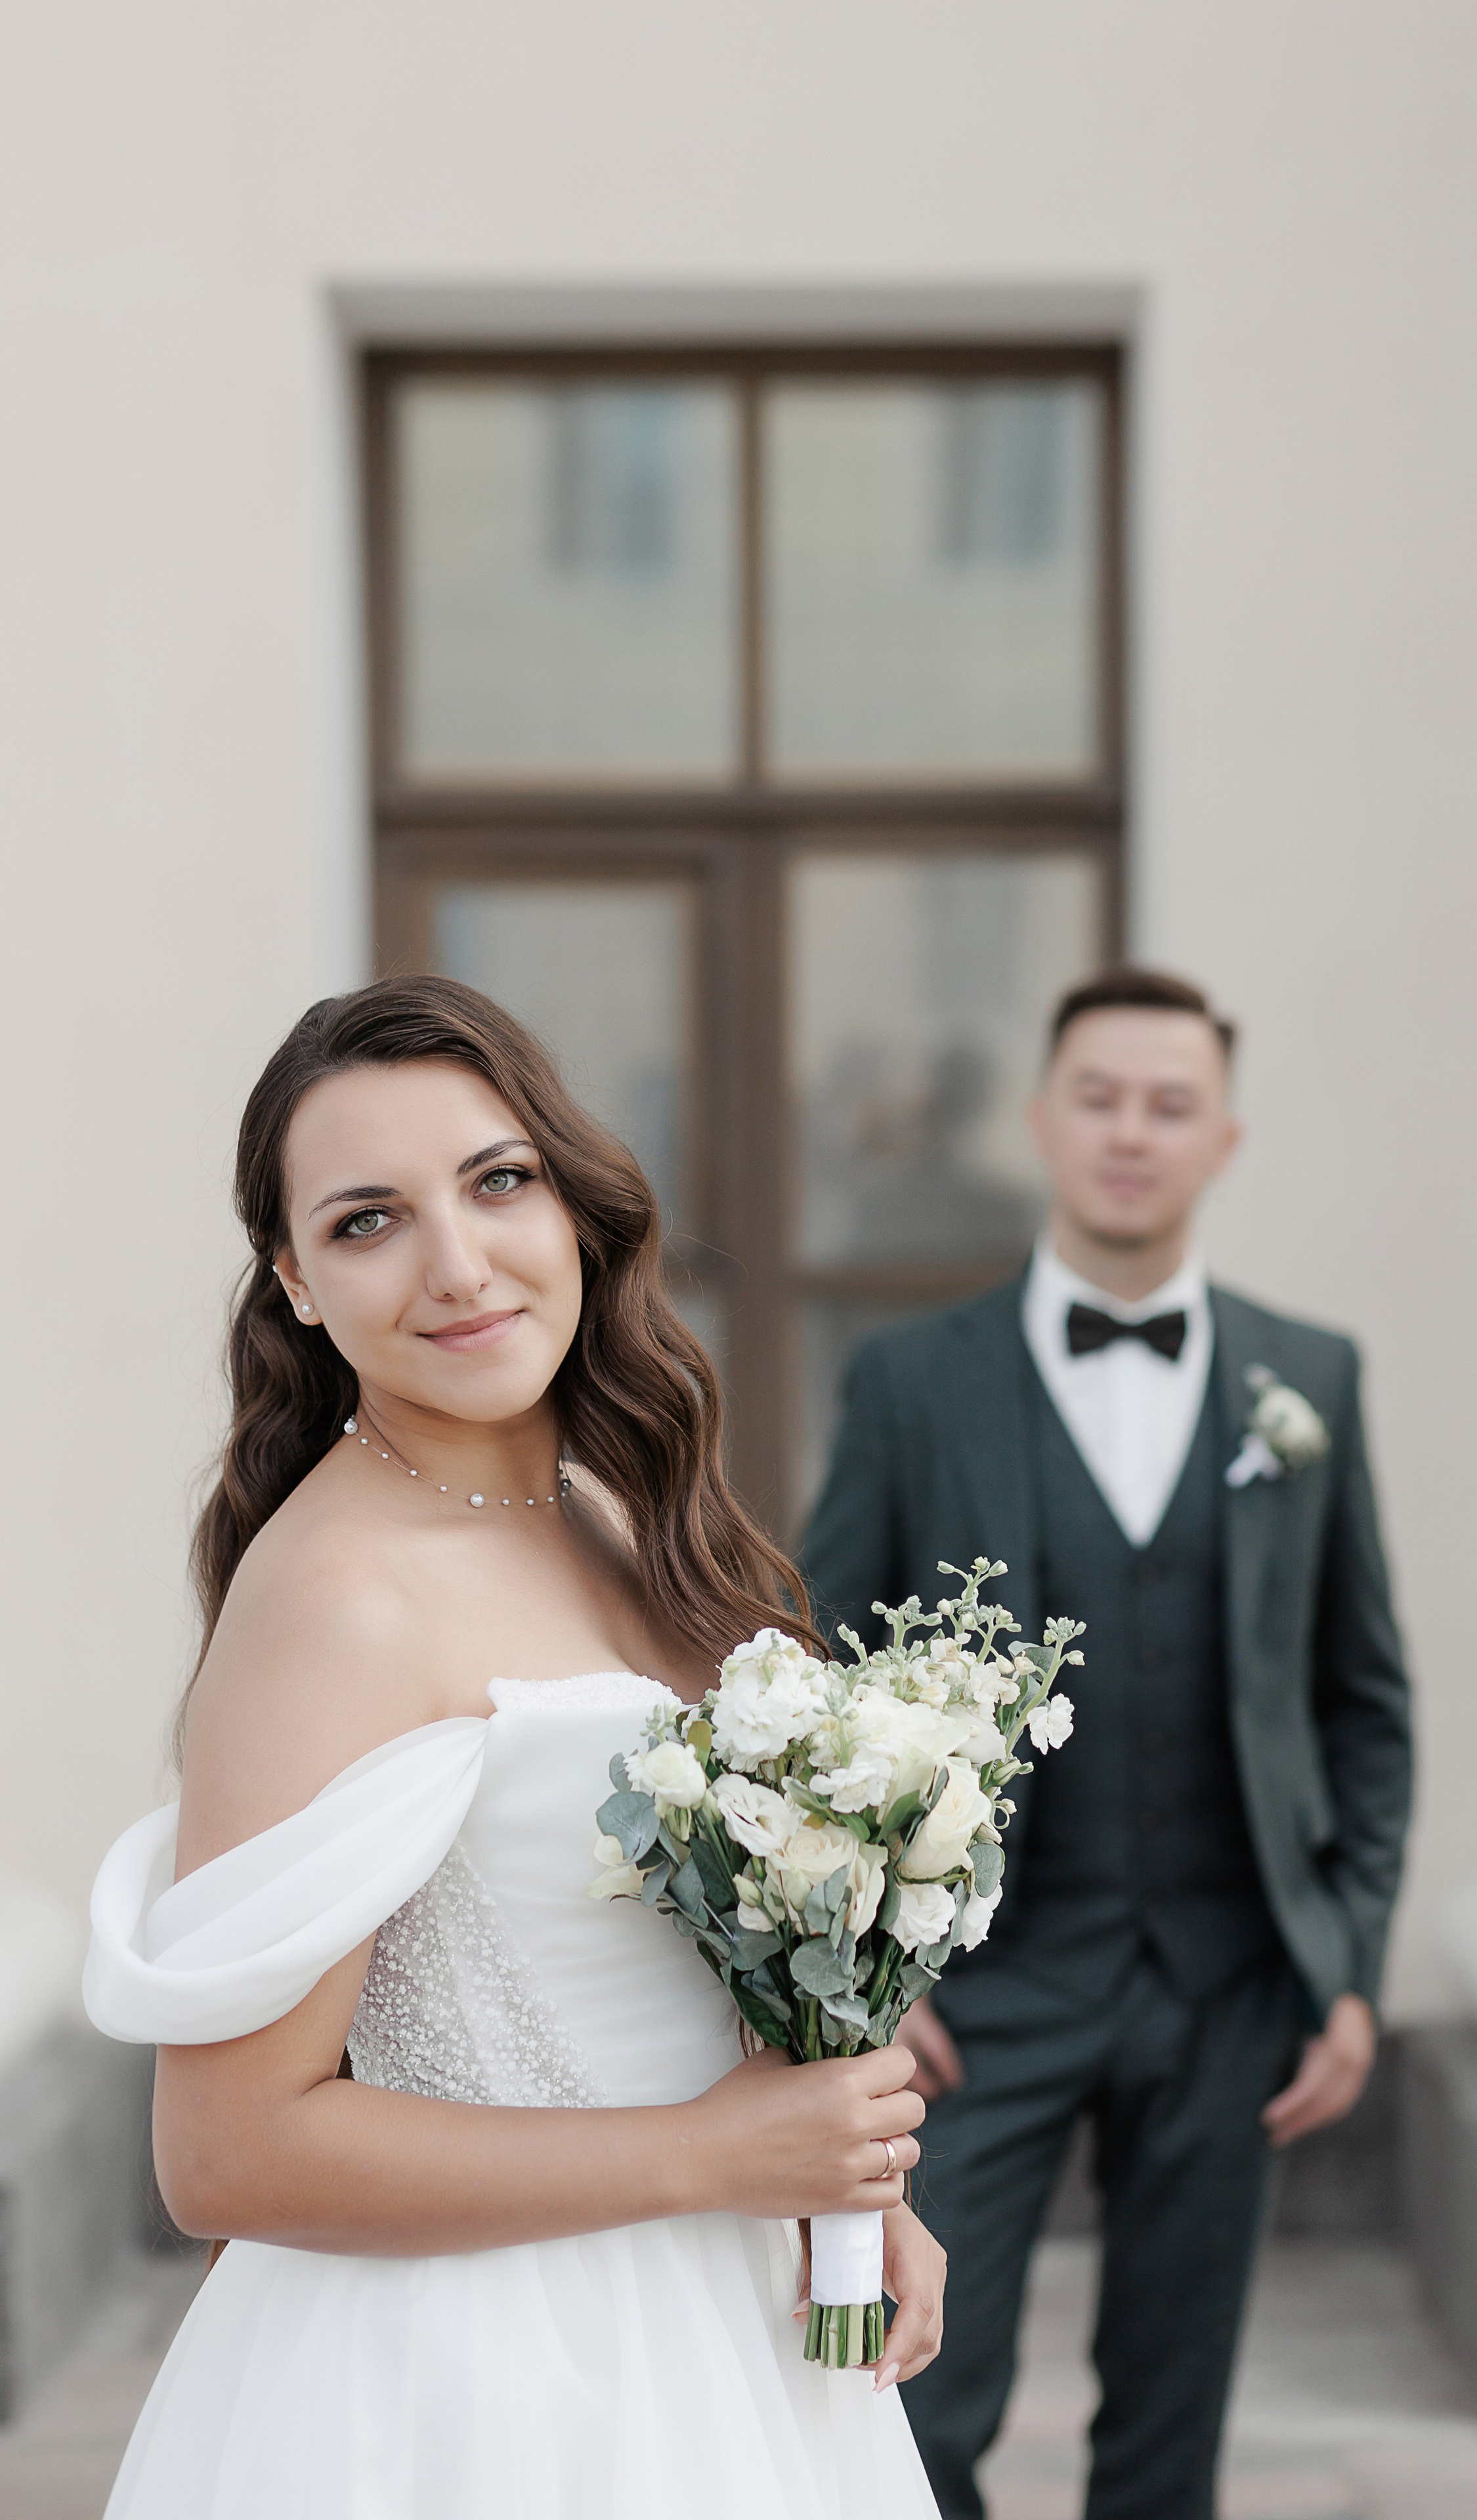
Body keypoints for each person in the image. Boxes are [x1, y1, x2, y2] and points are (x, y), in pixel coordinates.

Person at [83, 976, 945, 2520]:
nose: (459, 1266)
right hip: (479, 2390)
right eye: (368, 1221)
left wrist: (848, 2177)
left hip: (732, 2347)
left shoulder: (623, 1514)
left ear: (573, 1198)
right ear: (292, 1280)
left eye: (498, 1183)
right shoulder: (337, 1596)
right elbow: (225, 2155)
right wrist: (710, 2157)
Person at [802, 967, 1411, 2520]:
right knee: (912, 2409)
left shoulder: (1308, 1379)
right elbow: (820, 1692)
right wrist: (870, 1987)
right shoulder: (909, 1380)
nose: (1128, 1134)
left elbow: (1360, 1700)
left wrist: (1345, 1964)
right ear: (1038, 1122)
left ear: (1223, 1138)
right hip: (982, 1995)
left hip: (1230, 1988)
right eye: (1097, 1097)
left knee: (1166, 2441)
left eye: (1168, 1105)